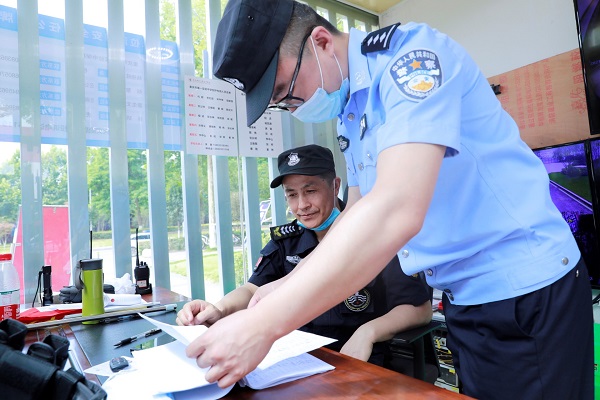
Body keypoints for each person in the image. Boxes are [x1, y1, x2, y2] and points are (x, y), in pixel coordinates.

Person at [187, 1, 595, 398]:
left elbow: (397, 209)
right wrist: (284, 287)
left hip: (527, 291)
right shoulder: (352, 108)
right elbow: (360, 211)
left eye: (286, 91)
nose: (291, 109)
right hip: (466, 301)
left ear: (322, 42)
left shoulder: (411, 58)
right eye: (280, 104)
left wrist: (264, 326)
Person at [177, 144, 432, 366]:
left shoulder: (374, 234)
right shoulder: (287, 241)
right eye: (291, 195)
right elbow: (254, 289)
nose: (302, 206)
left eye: (310, 191)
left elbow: (419, 309)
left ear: (335, 186)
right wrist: (219, 309)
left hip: (359, 359)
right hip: (295, 359)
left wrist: (368, 332)